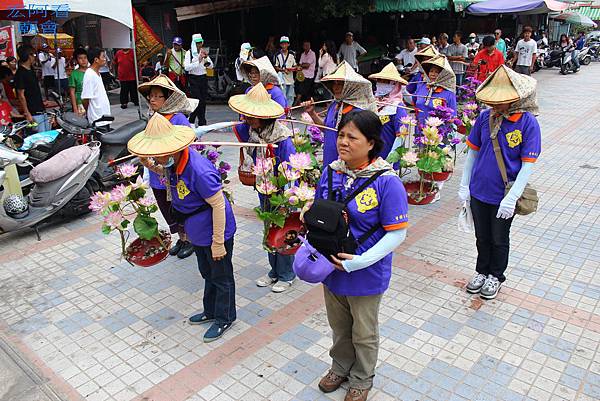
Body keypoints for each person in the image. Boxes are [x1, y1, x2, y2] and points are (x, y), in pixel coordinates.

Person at [314, 110, 408, 401]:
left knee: (364, 332)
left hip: (366, 272)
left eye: (352, 137)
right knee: (339, 326)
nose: (343, 141)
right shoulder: (331, 171)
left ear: (371, 143)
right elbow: (321, 211)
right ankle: (340, 366)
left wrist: (361, 261)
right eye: (341, 135)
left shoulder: (387, 181)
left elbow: (397, 232)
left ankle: (362, 378)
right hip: (333, 267)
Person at [127, 113, 237, 342]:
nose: (156, 156)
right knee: (208, 273)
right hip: (197, 231)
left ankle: (225, 317)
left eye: (157, 152)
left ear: (173, 146)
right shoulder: (174, 162)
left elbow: (218, 204)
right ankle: (211, 310)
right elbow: (167, 175)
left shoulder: (199, 169)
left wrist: (218, 243)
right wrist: (150, 165)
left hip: (214, 230)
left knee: (222, 276)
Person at [459, 65, 540, 300]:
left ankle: (496, 275)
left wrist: (512, 197)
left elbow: (528, 164)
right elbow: (472, 153)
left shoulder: (527, 123)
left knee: (499, 238)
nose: (495, 104)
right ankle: (481, 271)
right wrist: (465, 186)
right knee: (482, 236)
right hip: (479, 191)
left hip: (503, 194)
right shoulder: (484, 118)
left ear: (515, 98)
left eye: (501, 100)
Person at [228, 83, 298, 292]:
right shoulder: (251, 130)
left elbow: (290, 169)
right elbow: (238, 127)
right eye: (246, 114)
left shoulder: (281, 137)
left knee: (282, 229)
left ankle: (287, 273)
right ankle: (274, 271)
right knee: (268, 227)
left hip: (281, 190)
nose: (247, 118)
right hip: (263, 187)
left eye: (252, 115)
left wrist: (287, 197)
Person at [137, 74, 195, 259]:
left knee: (181, 208)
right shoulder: (153, 118)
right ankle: (181, 237)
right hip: (157, 175)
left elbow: (188, 149)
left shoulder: (178, 120)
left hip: (176, 175)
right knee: (166, 209)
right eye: (150, 96)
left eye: (157, 96)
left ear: (167, 99)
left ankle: (190, 240)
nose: (152, 99)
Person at [302, 61, 376, 167]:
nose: (335, 87)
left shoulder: (357, 112)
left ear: (350, 86)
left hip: (347, 164)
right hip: (329, 159)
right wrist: (312, 113)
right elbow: (327, 128)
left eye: (341, 84)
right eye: (334, 83)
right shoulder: (334, 105)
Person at [234, 56, 287, 143]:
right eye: (251, 73)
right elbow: (243, 114)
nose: (252, 76)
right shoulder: (249, 91)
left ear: (264, 74)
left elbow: (280, 118)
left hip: (271, 133)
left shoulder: (275, 92)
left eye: (256, 73)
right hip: (252, 132)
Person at [368, 62, 408, 159]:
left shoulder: (398, 107)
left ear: (394, 85)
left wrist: (392, 158)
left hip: (387, 156)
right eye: (380, 81)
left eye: (385, 81)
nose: (381, 84)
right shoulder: (372, 103)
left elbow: (401, 136)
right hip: (371, 155)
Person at [413, 55, 457, 128]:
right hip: (420, 128)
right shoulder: (422, 86)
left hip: (439, 132)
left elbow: (452, 117)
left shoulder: (449, 93)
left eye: (437, 72)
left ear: (443, 75)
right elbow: (416, 104)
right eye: (431, 71)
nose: (433, 74)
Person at [14, 45, 49, 132]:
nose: (35, 57)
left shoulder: (31, 70)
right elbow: (21, 95)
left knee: (47, 134)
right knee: (40, 137)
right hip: (32, 111)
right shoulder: (21, 73)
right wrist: (27, 113)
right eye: (33, 55)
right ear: (28, 56)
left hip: (40, 109)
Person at [184, 33, 213, 127]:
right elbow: (187, 67)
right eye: (197, 43)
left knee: (203, 101)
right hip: (193, 79)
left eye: (200, 42)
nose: (199, 45)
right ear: (193, 43)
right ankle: (195, 121)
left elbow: (211, 66)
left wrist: (206, 58)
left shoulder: (203, 51)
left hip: (203, 78)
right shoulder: (189, 53)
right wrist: (198, 61)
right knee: (198, 101)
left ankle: (199, 122)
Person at [81, 47, 111, 131]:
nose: (105, 59)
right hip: (97, 118)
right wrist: (90, 111)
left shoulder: (97, 73)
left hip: (104, 116)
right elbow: (85, 98)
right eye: (103, 57)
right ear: (96, 59)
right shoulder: (89, 74)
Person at [274, 36, 297, 106]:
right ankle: (284, 112)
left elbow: (295, 65)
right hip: (282, 79)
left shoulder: (292, 54)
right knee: (283, 97)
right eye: (282, 44)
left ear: (288, 44)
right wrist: (283, 70)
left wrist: (295, 68)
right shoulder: (277, 55)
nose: (284, 45)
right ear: (280, 45)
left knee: (290, 97)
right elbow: (276, 67)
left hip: (290, 79)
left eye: (285, 44)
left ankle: (289, 112)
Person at [68, 48, 88, 115]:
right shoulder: (74, 74)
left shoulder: (91, 72)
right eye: (80, 58)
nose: (83, 60)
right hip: (80, 103)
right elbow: (72, 92)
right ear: (76, 60)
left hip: (92, 102)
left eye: (85, 58)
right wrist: (75, 108)